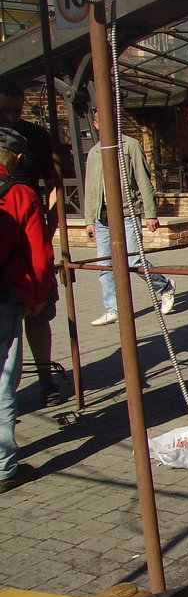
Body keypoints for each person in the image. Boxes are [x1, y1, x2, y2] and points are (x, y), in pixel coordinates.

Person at [0, 78, 64, 407]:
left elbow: (55, 184)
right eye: (4, 111)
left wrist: (49, 227)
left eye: (16, 110)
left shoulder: (34, 137)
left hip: (30, 232)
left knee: (38, 312)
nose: (11, 116)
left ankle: (45, 378)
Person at [84, 107, 175, 326]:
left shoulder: (130, 146)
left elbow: (144, 181)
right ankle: (113, 308)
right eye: (100, 122)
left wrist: (150, 213)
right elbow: (89, 188)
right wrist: (89, 220)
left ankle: (164, 286)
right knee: (104, 264)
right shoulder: (94, 152)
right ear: (96, 125)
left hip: (127, 213)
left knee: (134, 259)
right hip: (102, 217)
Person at [0, 128, 54, 494]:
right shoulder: (20, 194)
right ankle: (3, 467)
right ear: (16, 158)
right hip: (5, 293)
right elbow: (39, 253)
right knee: (3, 378)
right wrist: (36, 294)